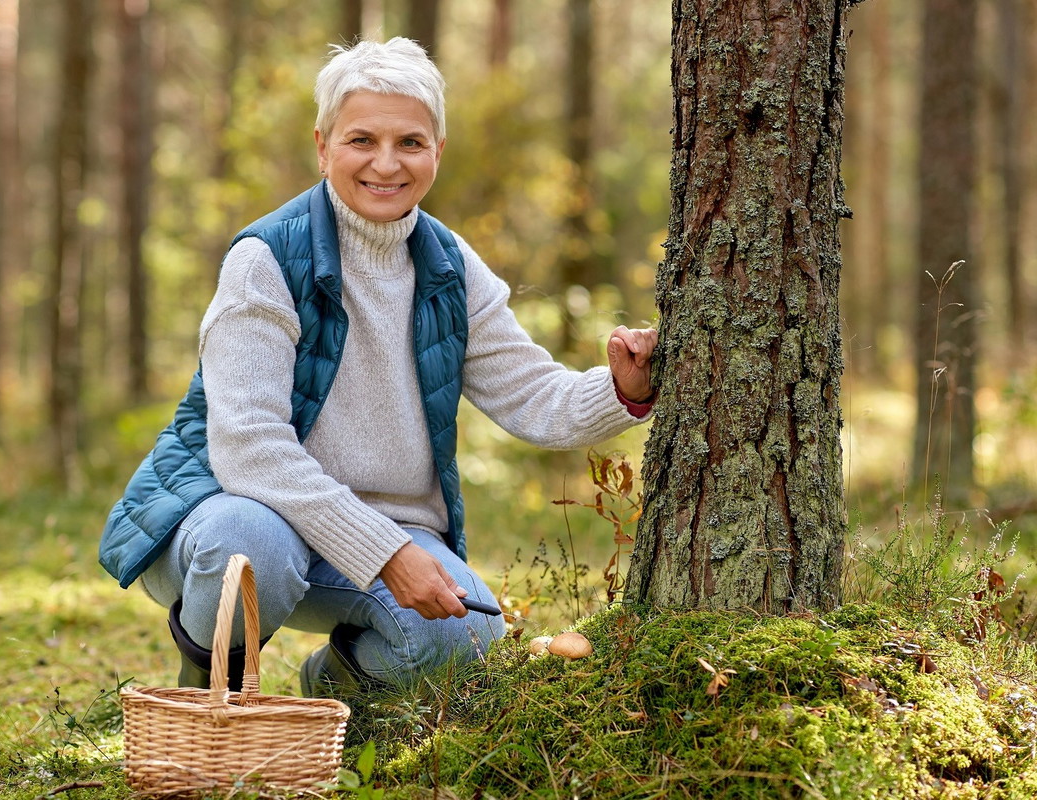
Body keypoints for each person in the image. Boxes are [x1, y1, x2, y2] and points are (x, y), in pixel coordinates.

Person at [98, 37, 658, 697]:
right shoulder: (266, 259)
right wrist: (388, 554)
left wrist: (623, 388)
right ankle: (201, 697)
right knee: (250, 543)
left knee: (465, 639)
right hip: (231, 514)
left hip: (385, 531)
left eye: (411, 143)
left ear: (437, 152)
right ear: (322, 146)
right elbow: (249, 450)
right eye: (361, 140)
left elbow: (532, 395)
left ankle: (334, 698)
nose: (386, 164)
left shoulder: (450, 265)